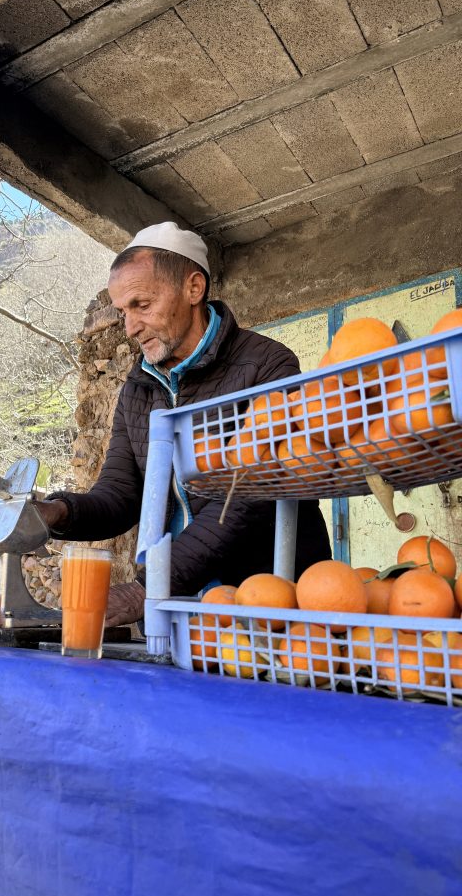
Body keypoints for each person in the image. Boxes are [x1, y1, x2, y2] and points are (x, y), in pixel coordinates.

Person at [35, 222, 331, 627]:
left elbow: (248, 494)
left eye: (142, 305)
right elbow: (120, 494)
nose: (130, 328)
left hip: (262, 603)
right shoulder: (138, 388)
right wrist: (56, 513)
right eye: (123, 312)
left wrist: (148, 588)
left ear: (193, 288)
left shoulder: (266, 364)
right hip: (175, 612)